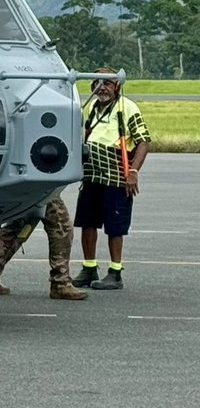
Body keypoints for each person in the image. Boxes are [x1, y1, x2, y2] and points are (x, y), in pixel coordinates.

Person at [72, 70, 151, 291]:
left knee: (114, 226)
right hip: (91, 176)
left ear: (116, 86)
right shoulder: (91, 107)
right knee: (87, 222)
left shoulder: (127, 108)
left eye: (107, 83)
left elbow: (143, 141)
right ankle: (89, 269)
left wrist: (133, 171)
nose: (102, 88)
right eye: (98, 83)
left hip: (116, 177)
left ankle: (115, 273)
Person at [0, 191, 89, 300]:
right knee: (61, 226)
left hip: (26, 183)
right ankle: (60, 282)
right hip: (43, 184)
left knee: (20, 224)